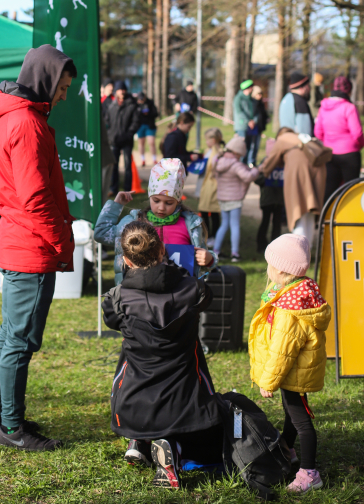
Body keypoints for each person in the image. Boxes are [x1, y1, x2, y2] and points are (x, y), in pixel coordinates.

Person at [0, 44, 77, 452]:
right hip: (31, 245)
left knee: (8, 336)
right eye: (63, 87)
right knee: (19, 342)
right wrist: (62, 240)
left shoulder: (10, 116)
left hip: (16, 238)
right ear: (46, 80)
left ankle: (0, 416)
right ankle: (12, 429)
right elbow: (35, 197)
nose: (64, 95)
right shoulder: (26, 123)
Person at [102, 220, 221, 488]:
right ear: (162, 250)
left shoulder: (116, 299)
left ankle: (141, 439)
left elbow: (111, 320)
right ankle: (168, 445)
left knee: (129, 361)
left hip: (132, 401)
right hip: (188, 403)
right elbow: (207, 295)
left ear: (126, 261)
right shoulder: (193, 288)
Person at [249, 234, 331, 493]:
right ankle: (287, 450)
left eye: (269, 265)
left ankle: (309, 473)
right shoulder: (299, 291)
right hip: (296, 371)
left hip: (293, 371)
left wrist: (268, 381)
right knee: (292, 413)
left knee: (302, 422)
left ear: (282, 270)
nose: (267, 269)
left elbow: (282, 351)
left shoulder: (289, 311)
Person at [94, 157, 215, 286]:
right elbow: (102, 233)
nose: (161, 207)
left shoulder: (190, 225)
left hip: (179, 297)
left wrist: (209, 259)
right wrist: (116, 205)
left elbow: (202, 255)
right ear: (150, 196)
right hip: (139, 297)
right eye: (156, 201)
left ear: (178, 201)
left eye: (169, 203)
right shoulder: (134, 222)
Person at [259, 127, 326, 247]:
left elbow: (269, 162)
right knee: (310, 210)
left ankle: (298, 250)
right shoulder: (302, 137)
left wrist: (262, 170)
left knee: (297, 209)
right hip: (319, 168)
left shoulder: (282, 139)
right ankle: (308, 248)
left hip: (298, 169)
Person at [314, 75, 364, 202]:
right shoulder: (349, 107)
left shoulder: (323, 107)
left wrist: (329, 143)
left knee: (330, 189)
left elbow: (317, 132)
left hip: (331, 154)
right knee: (351, 190)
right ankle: (349, 220)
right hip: (349, 155)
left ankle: (325, 219)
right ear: (349, 91)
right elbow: (357, 133)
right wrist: (357, 146)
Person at [212, 135, 259, 261]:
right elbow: (248, 177)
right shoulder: (235, 165)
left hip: (222, 198)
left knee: (224, 224)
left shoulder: (218, 161)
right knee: (235, 225)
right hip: (234, 199)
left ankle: (215, 250)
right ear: (237, 152)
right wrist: (255, 170)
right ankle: (235, 253)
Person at [105, 80, 140, 195]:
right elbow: (107, 121)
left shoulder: (132, 105)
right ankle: (113, 188)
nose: (122, 92)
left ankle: (127, 190)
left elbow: (135, 122)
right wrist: (110, 135)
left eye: (124, 90)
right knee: (114, 166)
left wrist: (128, 134)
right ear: (116, 91)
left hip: (127, 141)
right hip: (114, 140)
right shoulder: (111, 105)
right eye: (120, 90)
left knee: (127, 166)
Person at [254, 138, 284, 253]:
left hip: (279, 200)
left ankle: (275, 248)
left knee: (277, 224)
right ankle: (261, 246)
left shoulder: (284, 162)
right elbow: (257, 180)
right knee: (265, 222)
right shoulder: (265, 162)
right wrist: (264, 174)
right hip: (267, 199)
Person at [198, 127, 224, 241]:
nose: (206, 142)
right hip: (208, 183)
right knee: (206, 210)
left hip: (213, 184)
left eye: (207, 140)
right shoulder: (211, 151)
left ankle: (212, 235)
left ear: (213, 140)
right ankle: (208, 234)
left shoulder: (217, 152)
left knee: (212, 211)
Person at [279, 72, 314, 137]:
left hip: (285, 140)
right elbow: (304, 130)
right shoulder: (300, 102)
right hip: (297, 143)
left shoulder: (286, 98)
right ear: (302, 88)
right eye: (308, 86)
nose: (310, 89)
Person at [233, 79, 257, 163]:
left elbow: (255, 112)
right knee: (241, 147)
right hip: (242, 127)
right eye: (251, 87)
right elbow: (239, 112)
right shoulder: (238, 98)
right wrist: (248, 121)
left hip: (251, 127)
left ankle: (246, 165)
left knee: (249, 147)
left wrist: (254, 120)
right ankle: (240, 165)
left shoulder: (251, 99)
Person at [136, 92, 159, 166]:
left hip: (150, 125)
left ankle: (154, 159)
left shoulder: (150, 103)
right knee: (141, 143)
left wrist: (148, 113)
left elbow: (156, 113)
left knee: (151, 142)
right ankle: (142, 159)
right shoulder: (136, 104)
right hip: (140, 126)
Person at [248, 85, 268, 166]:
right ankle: (250, 161)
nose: (260, 96)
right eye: (258, 94)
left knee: (256, 146)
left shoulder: (261, 103)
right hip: (253, 128)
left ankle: (253, 161)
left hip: (259, 128)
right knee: (252, 146)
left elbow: (263, 114)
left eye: (261, 94)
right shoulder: (252, 103)